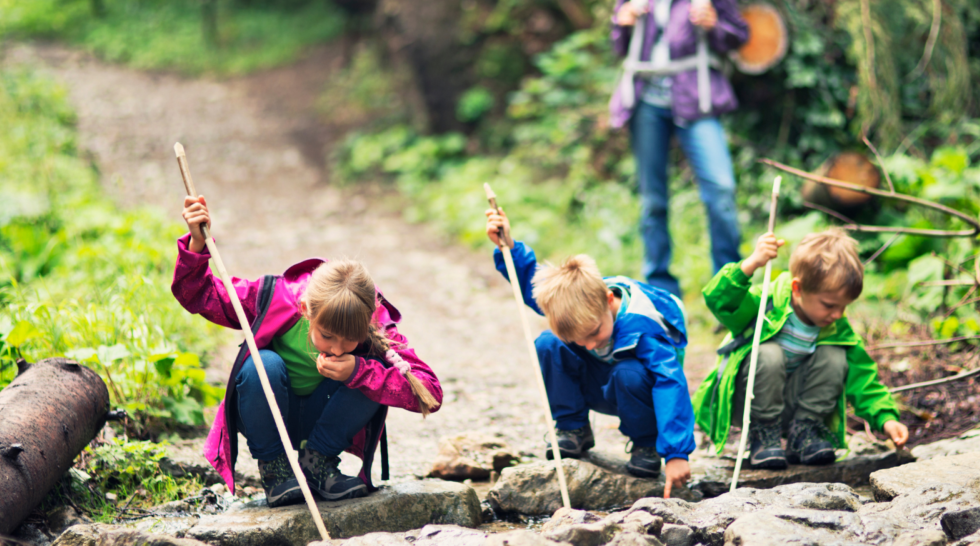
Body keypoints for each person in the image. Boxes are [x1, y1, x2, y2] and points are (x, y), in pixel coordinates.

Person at [172, 196, 442, 507]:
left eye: (349, 340)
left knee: (371, 367)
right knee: (263, 363)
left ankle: (317, 464)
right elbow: (199, 294)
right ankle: (276, 470)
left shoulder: (376, 326)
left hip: (324, 424)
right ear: (305, 310)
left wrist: (358, 371)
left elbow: (430, 392)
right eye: (327, 336)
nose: (338, 348)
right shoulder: (272, 298)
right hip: (271, 415)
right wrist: (196, 241)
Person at [485, 207, 694, 498]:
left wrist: (676, 453)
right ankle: (573, 429)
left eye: (594, 333)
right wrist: (509, 246)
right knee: (548, 343)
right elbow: (534, 285)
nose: (590, 345)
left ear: (609, 300)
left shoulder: (643, 328)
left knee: (628, 372)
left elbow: (671, 383)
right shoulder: (581, 305)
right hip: (598, 385)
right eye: (579, 339)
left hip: (637, 393)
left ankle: (646, 443)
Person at [610, 0, 750, 298]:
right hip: (646, 102)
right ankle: (659, 287)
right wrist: (621, 23)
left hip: (696, 97)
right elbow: (621, 48)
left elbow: (738, 36)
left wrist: (715, 23)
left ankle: (728, 286)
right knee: (653, 199)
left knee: (721, 190)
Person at [692, 228, 909, 469]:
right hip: (752, 401)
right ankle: (764, 437)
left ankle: (804, 432)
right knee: (769, 354)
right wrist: (751, 264)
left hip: (796, 404)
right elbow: (719, 300)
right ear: (797, 288)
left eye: (843, 307)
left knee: (836, 356)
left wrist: (886, 419)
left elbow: (862, 378)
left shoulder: (835, 327)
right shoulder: (767, 303)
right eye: (828, 305)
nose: (837, 314)